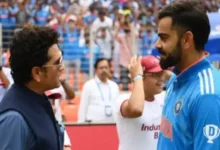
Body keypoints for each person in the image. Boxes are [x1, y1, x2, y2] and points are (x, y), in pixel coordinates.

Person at [156, 0, 220, 150]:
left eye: (164, 38)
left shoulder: (207, 96)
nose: (157, 45)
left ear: (186, 40)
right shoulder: (176, 79)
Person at [0, 26, 64, 150]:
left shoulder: (39, 99)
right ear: (37, 73)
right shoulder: (14, 119)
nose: (62, 67)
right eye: (57, 63)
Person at [115, 55, 167, 150]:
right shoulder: (123, 99)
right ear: (141, 77)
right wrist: (137, 77)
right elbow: (136, 109)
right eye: (156, 75)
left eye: (161, 74)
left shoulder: (163, 97)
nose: (162, 79)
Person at [78, 58, 120, 123]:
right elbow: (83, 106)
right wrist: (81, 123)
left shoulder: (114, 86)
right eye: (101, 68)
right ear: (96, 70)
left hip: (112, 123)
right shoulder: (89, 85)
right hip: (94, 124)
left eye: (106, 67)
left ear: (109, 69)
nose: (104, 70)